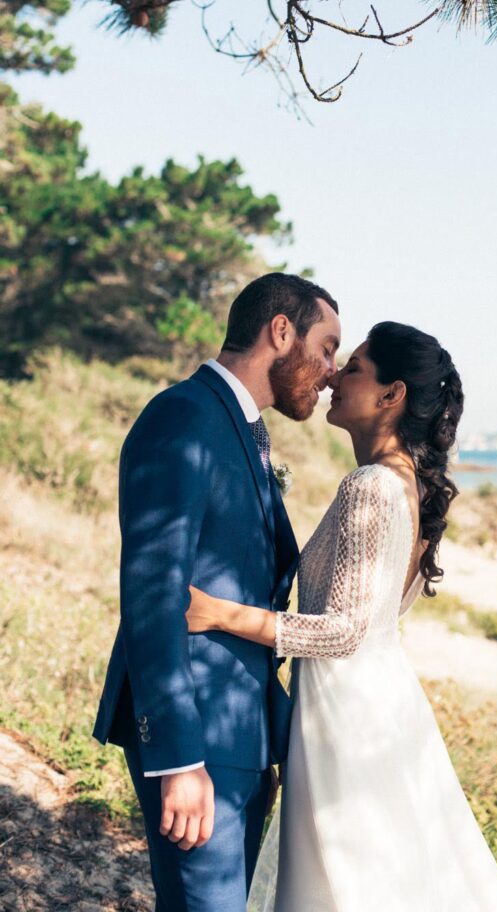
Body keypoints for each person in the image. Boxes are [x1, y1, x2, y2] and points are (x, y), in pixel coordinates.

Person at [186, 321, 497, 911]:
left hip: (351, 712)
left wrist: (218, 614)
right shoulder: (407, 484)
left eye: (356, 366)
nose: (335, 376)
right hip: (376, 700)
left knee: (352, 881)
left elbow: (345, 631)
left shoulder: (371, 486)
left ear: (392, 395)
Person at [92, 272, 341, 912]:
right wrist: (178, 760)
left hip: (244, 736)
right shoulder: (183, 417)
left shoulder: (240, 427)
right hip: (198, 736)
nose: (331, 371)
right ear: (280, 332)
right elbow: (153, 597)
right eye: (327, 346)